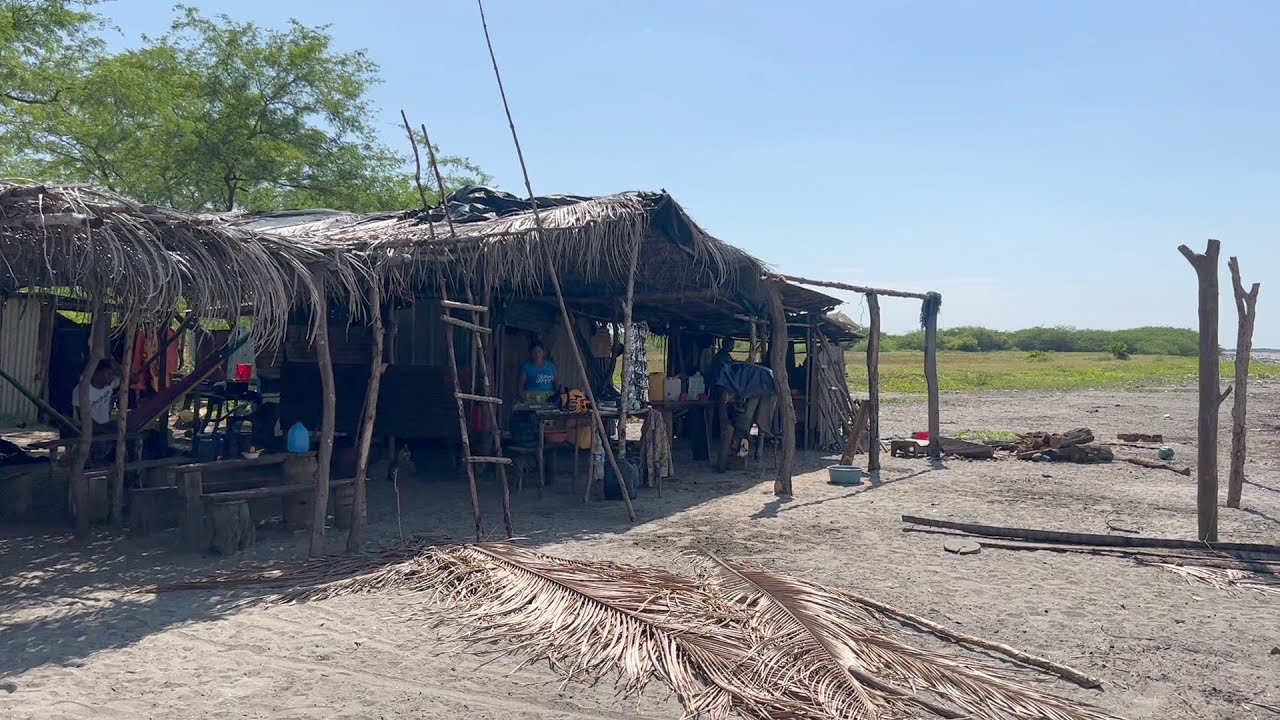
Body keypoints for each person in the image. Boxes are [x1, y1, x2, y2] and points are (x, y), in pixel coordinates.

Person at [72, 358, 121, 431]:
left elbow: (133, 379)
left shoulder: (110, 384)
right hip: (87, 430)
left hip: (106, 425)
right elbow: (82, 417)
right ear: (96, 374)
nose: (112, 378)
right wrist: (103, 430)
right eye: (109, 374)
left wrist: (118, 367)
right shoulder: (82, 390)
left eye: (113, 374)